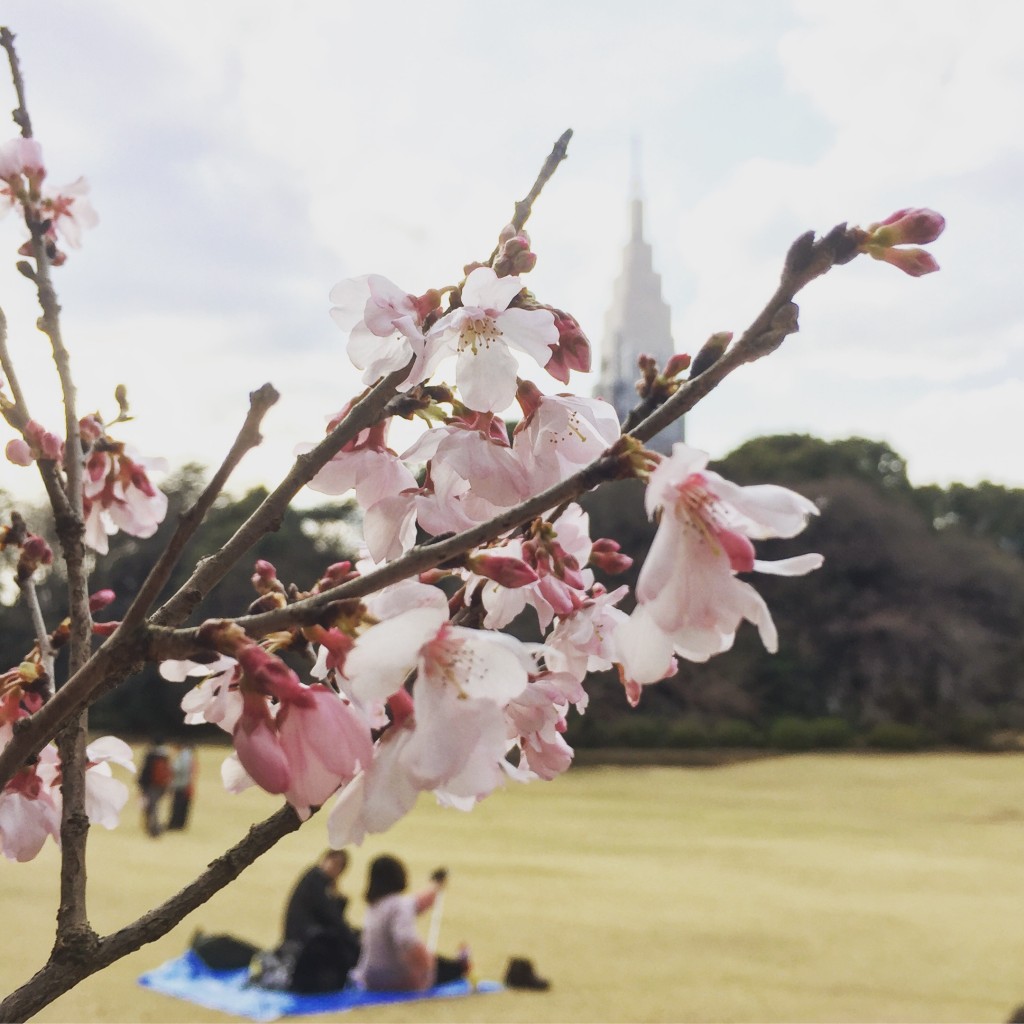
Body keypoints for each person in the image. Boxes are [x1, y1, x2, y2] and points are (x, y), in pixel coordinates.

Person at [352, 854, 470, 992]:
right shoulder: (399, 905)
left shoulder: (375, 906)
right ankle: (462, 964)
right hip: (398, 979)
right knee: (451, 967)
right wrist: (428, 965)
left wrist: (435, 885)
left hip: (370, 977)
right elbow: (406, 940)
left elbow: (417, 903)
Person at [278, 849, 360, 992]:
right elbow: (332, 918)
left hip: (305, 934)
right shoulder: (315, 879)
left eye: (339, 866)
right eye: (333, 862)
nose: (333, 868)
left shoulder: (319, 881)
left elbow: (330, 916)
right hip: (302, 939)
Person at [137, 738, 171, 837]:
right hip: (161, 785)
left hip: (150, 784)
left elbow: (145, 771)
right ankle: (153, 827)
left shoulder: (150, 755)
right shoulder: (165, 755)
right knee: (155, 806)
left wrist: (141, 783)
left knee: (152, 806)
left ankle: (153, 828)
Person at [166, 742, 196, 831]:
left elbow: (176, 768)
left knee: (177, 806)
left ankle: (175, 824)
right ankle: (181, 824)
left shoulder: (183, 756)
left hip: (180, 784)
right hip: (187, 784)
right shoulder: (191, 756)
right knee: (184, 806)